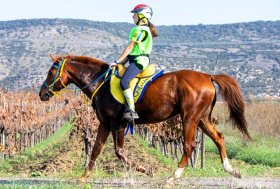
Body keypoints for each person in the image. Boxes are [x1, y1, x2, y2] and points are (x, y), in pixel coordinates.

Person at [111, 4, 158, 122]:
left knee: (124, 81)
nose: (132, 17)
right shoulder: (144, 29)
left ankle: (132, 111)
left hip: (139, 61)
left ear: (141, 16)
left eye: (134, 15)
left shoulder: (140, 30)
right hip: (135, 59)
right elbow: (132, 52)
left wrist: (117, 60)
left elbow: (130, 48)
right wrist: (120, 63)